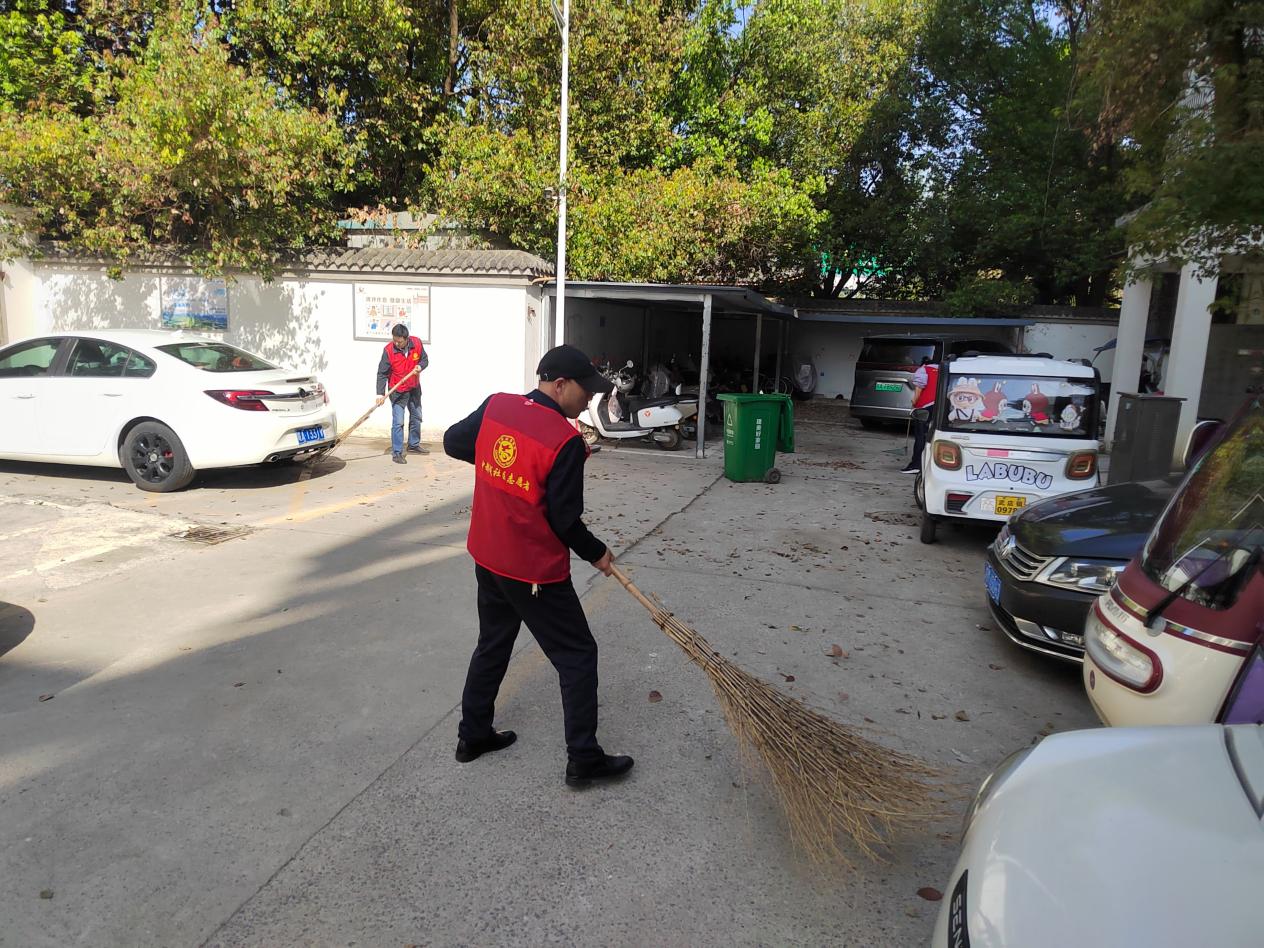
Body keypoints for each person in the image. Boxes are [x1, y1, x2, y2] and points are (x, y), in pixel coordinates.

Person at [443, 344, 634, 789]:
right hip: (532, 571)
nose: (589, 399)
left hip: (489, 556)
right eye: (586, 390)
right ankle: (584, 758)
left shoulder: (497, 406)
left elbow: (454, 441)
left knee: (492, 643)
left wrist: (495, 462)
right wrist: (597, 552)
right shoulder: (564, 441)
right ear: (560, 385)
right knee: (577, 655)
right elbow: (564, 520)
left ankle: (473, 735)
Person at [375, 324, 428, 464]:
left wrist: (420, 366)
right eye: (394, 340)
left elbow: (424, 359)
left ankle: (413, 445)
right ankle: (397, 452)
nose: (396, 344)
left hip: (414, 387)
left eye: (399, 341)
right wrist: (380, 394)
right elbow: (382, 373)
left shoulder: (417, 343)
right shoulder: (388, 351)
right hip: (397, 391)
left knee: (416, 417)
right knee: (398, 422)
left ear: (406, 339)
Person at [901, 355, 939, 474]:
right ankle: (928, 466)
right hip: (939, 407)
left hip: (924, 407)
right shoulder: (943, 369)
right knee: (933, 436)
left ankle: (916, 465)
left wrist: (914, 401)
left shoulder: (923, 369)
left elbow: (919, 389)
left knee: (920, 436)